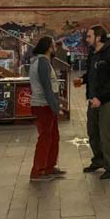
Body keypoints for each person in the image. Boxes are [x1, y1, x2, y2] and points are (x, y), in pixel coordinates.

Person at [79, 25, 110, 180]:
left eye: (89, 36)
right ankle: (98, 160)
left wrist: (102, 98)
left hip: (108, 100)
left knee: (105, 133)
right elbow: (92, 73)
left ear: (98, 37)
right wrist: (82, 80)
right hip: (94, 99)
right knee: (92, 131)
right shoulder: (93, 53)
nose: (87, 39)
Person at [28, 36, 64, 181]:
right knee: (45, 137)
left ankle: (49, 167)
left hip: (46, 104)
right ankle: (38, 171)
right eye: (54, 45)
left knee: (53, 136)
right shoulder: (42, 63)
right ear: (49, 47)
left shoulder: (43, 62)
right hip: (43, 105)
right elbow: (47, 87)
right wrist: (55, 107)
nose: (55, 48)